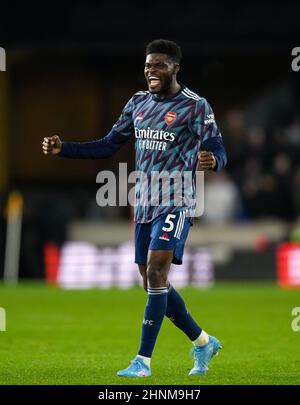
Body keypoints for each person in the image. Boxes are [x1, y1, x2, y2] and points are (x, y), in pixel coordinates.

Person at [42, 39, 227, 377]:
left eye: (158, 65)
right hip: (143, 202)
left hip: (177, 199)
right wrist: (63, 149)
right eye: (147, 65)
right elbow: (108, 145)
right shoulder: (138, 103)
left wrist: (214, 159)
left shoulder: (195, 106)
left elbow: (217, 145)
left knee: (157, 272)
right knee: (150, 281)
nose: (150, 71)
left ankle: (142, 361)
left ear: (174, 67)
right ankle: (203, 342)